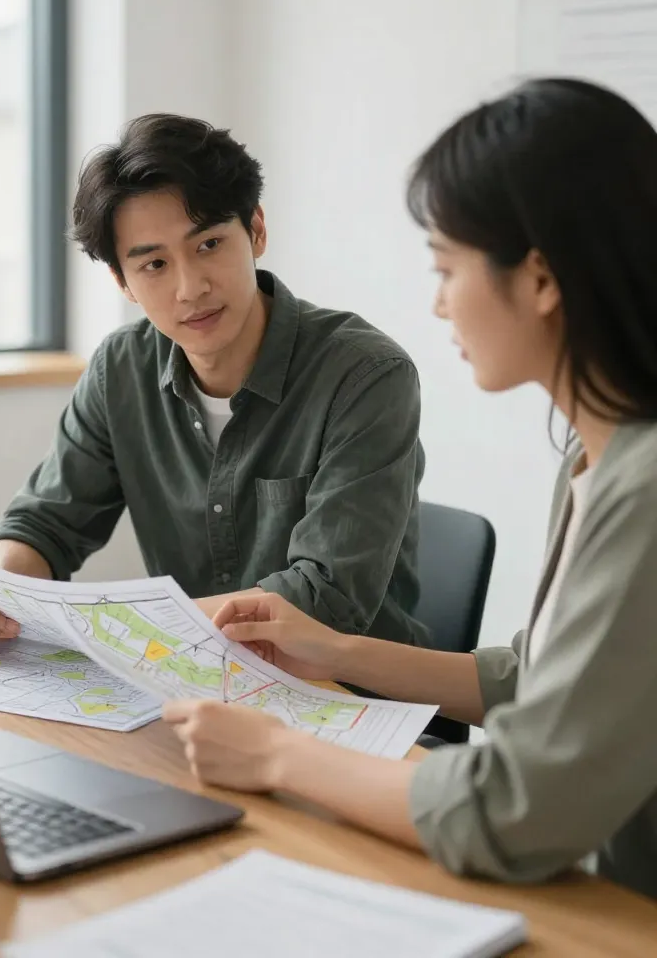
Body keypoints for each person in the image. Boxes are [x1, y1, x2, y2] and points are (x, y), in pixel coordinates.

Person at [163, 78, 657, 899]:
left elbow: (515, 810)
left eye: (447, 268)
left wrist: (278, 754)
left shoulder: (642, 487)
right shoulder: (596, 453)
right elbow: (538, 679)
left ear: (538, 278)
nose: (436, 304)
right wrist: (336, 650)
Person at [0, 114, 428, 649]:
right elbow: (46, 525)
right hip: (194, 682)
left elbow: (326, 597)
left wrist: (133, 631)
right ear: (122, 282)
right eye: (154, 266)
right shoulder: (121, 370)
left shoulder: (365, 375)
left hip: (349, 696)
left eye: (209, 245)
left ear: (256, 230)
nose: (190, 288)